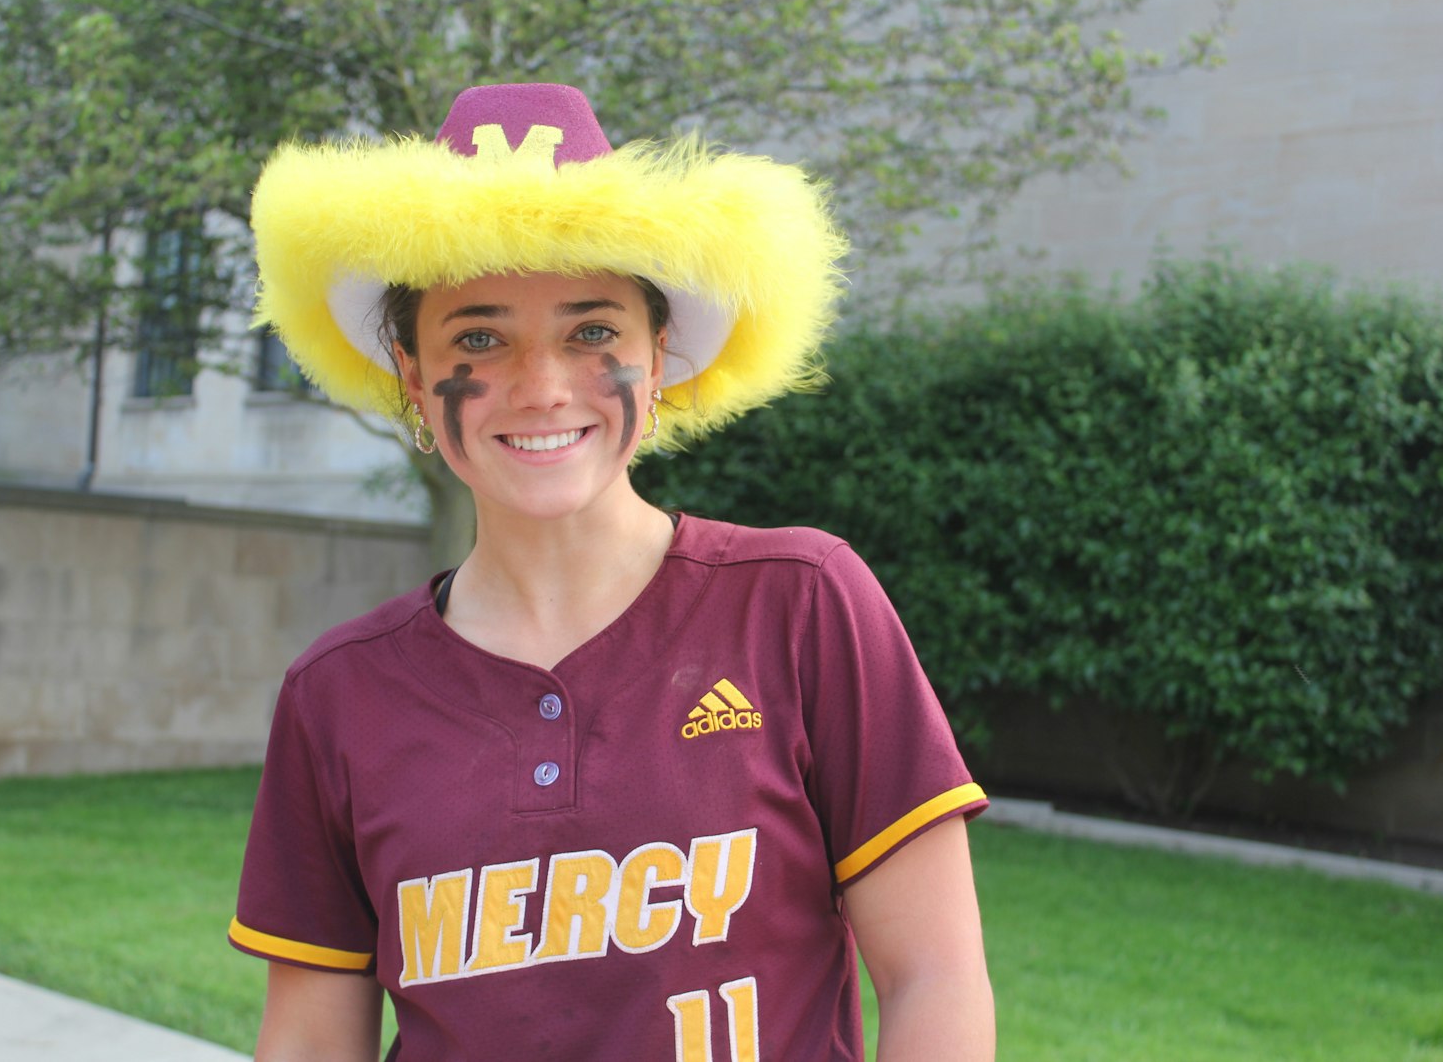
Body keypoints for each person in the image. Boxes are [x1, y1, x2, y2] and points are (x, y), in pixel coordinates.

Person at [229, 82, 994, 1061]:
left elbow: (935, 976)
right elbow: (306, 1038)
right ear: (414, 378)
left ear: (659, 354)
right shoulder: (335, 694)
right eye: (478, 338)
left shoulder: (802, 600)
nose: (542, 386)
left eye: (592, 332)